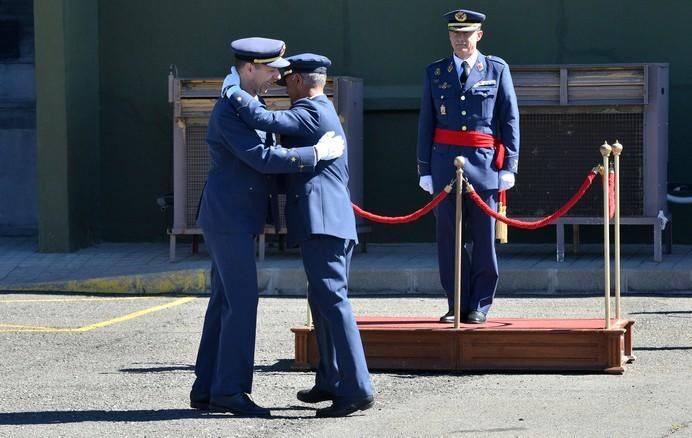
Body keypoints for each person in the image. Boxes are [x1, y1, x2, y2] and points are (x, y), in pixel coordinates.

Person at [191, 37, 346, 417]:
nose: (278, 75)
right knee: (241, 302)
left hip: (233, 215)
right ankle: (229, 392)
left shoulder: (247, 102)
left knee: (225, 301)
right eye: (270, 68)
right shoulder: (232, 107)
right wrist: (314, 154)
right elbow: (261, 158)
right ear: (248, 69)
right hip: (229, 216)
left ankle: (208, 387)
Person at [221, 53, 374, 417]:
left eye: (285, 77)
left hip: (323, 223)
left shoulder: (310, 111)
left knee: (333, 304)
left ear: (300, 81)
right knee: (322, 303)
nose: (280, 82)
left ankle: (356, 389)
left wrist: (232, 91)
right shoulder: (320, 109)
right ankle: (331, 380)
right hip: (326, 223)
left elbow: (264, 118)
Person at [416, 9, 520, 324]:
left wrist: (510, 165)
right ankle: (456, 302)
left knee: (485, 238)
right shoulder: (435, 72)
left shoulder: (496, 69)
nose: (462, 39)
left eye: (468, 33)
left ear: (479, 35)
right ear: (449, 36)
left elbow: (509, 118)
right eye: (456, 33)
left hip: (484, 164)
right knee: (449, 238)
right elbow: (426, 122)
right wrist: (425, 169)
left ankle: (480, 304)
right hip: (445, 164)